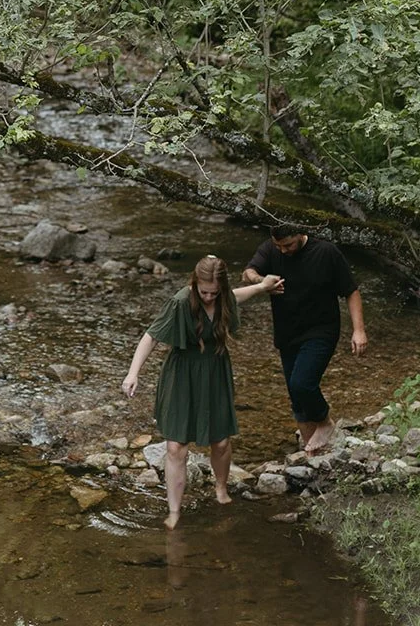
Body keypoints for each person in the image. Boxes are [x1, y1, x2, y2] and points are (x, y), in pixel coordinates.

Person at [121, 254, 284, 529]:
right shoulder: (181, 301)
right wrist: (133, 373)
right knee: (176, 447)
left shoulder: (222, 297)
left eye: (214, 292)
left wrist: (260, 287)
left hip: (215, 371)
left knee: (220, 441)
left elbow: (235, 295)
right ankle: (174, 511)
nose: (208, 297)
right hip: (182, 374)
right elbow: (151, 336)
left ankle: (221, 489)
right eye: (203, 292)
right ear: (194, 283)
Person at [241, 222, 367, 455]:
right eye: (279, 246)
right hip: (287, 333)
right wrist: (260, 281)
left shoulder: (326, 252)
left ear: (300, 234)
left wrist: (358, 330)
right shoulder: (271, 249)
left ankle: (325, 423)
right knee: (295, 395)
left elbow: (351, 290)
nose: (283, 250)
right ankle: (310, 450)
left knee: (302, 383)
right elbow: (248, 272)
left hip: (321, 330)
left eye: (288, 245)